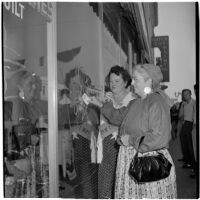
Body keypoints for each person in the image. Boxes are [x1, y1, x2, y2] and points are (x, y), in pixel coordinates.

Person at [91, 63, 177, 198]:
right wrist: (102, 104)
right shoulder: (137, 102)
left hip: (148, 165)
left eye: (136, 79)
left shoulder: (156, 102)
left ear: (149, 80)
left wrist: (131, 139)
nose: (132, 83)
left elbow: (159, 137)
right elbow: (117, 116)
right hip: (134, 162)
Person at [97, 65, 135, 199]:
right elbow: (102, 124)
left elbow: (119, 119)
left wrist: (105, 105)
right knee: (105, 186)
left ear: (125, 82)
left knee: (121, 186)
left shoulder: (132, 100)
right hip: (107, 149)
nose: (113, 84)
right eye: (111, 81)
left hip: (123, 150)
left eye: (117, 81)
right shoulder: (107, 98)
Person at [179, 89, 196, 172]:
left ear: (190, 94)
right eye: (184, 94)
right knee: (184, 144)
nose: (185, 95)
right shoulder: (184, 104)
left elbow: (195, 115)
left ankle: (193, 165)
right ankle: (187, 162)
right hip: (184, 124)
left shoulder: (194, 102)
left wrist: (194, 125)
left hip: (191, 125)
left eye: (187, 94)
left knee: (191, 146)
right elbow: (181, 116)